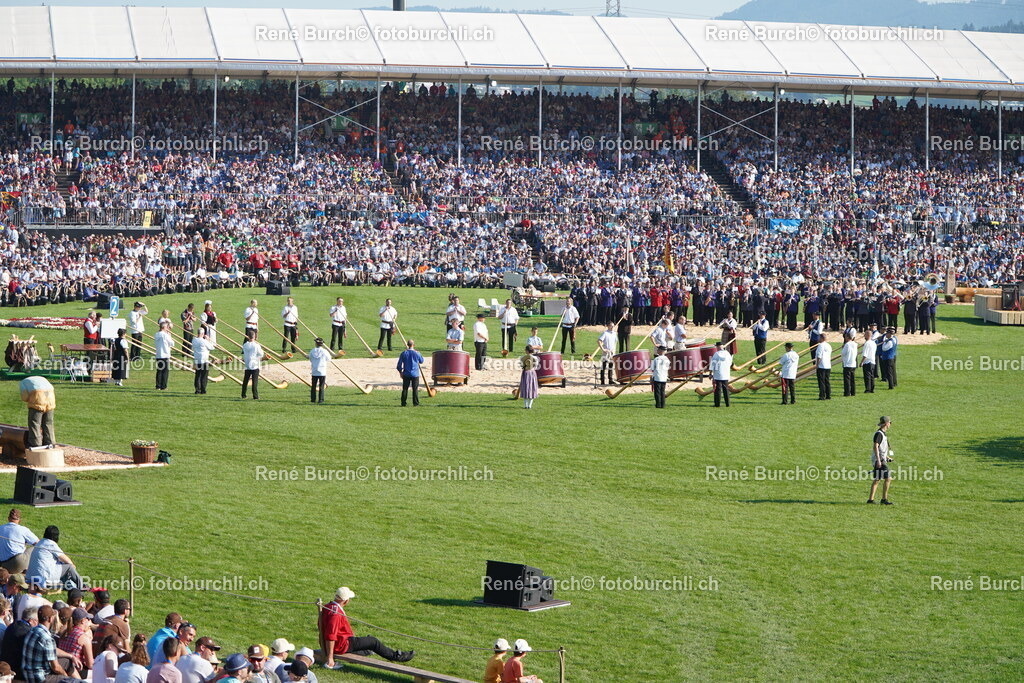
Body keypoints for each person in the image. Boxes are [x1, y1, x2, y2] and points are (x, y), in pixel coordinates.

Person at [318, 586, 413, 668]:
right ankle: (396, 656)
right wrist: (330, 658)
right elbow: (331, 636)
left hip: (341, 642)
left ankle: (368, 650)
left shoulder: (328, 606)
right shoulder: (336, 614)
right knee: (373, 641)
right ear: (346, 601)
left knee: (367, 641)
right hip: (341, 645)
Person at [21, 605, 70, 683]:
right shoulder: (47, 638)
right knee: (70, 680)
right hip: (40, 679)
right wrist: (67, 677)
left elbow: (51, 652)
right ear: (50, 619)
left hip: (27, 673)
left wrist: (71, 656)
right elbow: (56, 667)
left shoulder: (32, 630)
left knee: (67, 661)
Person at [25, 525, 81, 591]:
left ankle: (69, 585)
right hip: (45, 578)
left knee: (61, 566)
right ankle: (82, 586)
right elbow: (66, 560)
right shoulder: (51, 544)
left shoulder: (39, 543)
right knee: (69, 567)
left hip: (31, 577)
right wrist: (73, 566)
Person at [19, 377, 55, 449]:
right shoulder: (42, 379)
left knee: (35, 423)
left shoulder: (22, 382)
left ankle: (35, 443)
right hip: (51, 399)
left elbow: (25, 397)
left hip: (37, 400)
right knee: (48, 423)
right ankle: (50, 442)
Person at [0, 509, 38, 573]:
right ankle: (31, 569)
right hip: (18, 563)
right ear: (19, 520)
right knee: (35, 548)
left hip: (3, 565)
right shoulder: (23, 529)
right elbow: (38, 543)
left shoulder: (1, 528)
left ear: (8, 518)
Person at [868, 416, 895, 504]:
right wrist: (879, 461)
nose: (890, 424)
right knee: (888, 478)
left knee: (877, 479)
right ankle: (884, 499)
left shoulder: (882, 433)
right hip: (879, 460)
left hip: (880, 459)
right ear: (886, 423)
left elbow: (881, 449)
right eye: (890, 422)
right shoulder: (879, 434)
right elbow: (875, 446)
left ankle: (870, 500)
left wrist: (887, 457)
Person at [58, 608, 94, 673]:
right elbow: (90, 664)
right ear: (83, 621)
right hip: (76, 669)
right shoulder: (84, 637)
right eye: (88, 619)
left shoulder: (64, 632)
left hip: (62, 667)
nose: (90, 622)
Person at [396, 341, 424, 408]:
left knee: (405, 389)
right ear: (414, 345)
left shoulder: (404, 353)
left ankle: (403, 403)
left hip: (406, 373)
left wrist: (400, 372)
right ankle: (415, 403)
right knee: (415, 389)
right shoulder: (417, 353)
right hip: (415, 374)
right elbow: (421, 361)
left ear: (407, 345)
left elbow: (399, 365)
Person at [308, 338, 331, 404]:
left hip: (314, 370)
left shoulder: (312, 351)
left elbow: (310, 359)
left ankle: (313, 399)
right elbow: (329, 359)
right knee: (321, 386)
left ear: (316, 344)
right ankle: (321, 399)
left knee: (313, 386)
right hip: (322, 370)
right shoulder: (325, 351)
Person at [709, 341, 732, 408]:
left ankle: (717, 404)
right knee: (726, 389)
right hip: (726, 373)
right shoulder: (727, 354)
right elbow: (730, 363)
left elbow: (712, 365)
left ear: (717, 347)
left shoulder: (716, 354)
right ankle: (727, 404)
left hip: (718, 374)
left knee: (717, 390)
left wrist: (710, 373)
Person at [192, 329, 214, 395]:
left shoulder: (194, 340)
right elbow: (211, 347)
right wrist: (208, 340)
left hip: (197, 359)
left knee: (198, 375)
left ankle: (197, 389)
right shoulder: (203, 341)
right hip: (204, 360)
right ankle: (203, 389)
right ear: (202, 334)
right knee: (204, 376)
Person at [154, 323, 174, 391]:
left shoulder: (157, 334)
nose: (167, 328)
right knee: (165, 371)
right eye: (166, 327)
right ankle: (163, 386)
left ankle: (158, 386)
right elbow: (172, 343)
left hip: (159, 354)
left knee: (159, 371)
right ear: (163, 327)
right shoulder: (166, 335)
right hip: (165, 354)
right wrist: (169, 335)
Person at [815, 333, 832, 400]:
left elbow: (819, 356)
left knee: (821, 381)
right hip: (828, 365)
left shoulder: (820, 346)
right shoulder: (828, 345)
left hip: (821, 365)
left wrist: (817, 365)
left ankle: (822, 395)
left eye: (819, 338)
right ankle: (828, 395)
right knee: (827, 381)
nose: (818, 339)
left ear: (822, 338)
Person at [861, 329, 877, 393]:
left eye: (865, 334)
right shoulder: (873, 343)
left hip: (867, 361)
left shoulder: (867, 343)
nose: (864, 336)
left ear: (868, 335)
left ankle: (868, 389)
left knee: (867, 376)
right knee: (872, 376)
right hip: (873, 361)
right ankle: (872, 388)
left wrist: (861, 362)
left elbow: (865, 354)